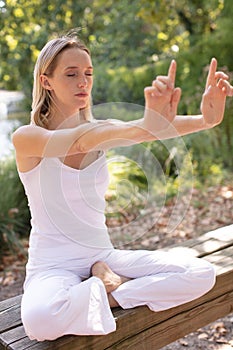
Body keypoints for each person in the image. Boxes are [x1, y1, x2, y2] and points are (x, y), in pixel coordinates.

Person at [12, 33, 233, 341]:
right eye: (71, 74)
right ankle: (103, 285)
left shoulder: (101, 129)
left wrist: (206, 119)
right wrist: (147, 124)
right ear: (46, 81)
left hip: (103, 256)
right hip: (53, 266)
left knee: (202, 273)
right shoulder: (27, 137)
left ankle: (107, 287)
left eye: (88, 73)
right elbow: (82, 139)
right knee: (39, 320)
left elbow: (136, 132)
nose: (83, 82)